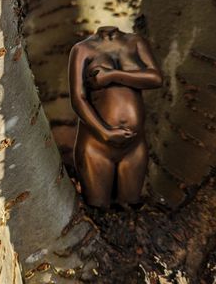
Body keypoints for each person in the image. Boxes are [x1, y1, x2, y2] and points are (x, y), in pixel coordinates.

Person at [68, 26, 162, 209]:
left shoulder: (135, 43)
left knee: (130, 206)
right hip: (96, 145)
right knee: (97, 207)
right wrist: (105, 132)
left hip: (134, 144)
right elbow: (78, 99)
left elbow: (156, 78)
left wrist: (112, 75)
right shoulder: (82, 49)